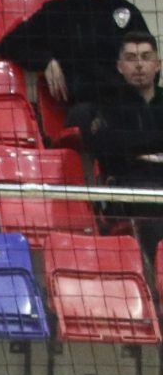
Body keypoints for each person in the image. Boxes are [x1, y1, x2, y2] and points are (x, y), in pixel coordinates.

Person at [0, 0, 153, 107]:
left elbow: (150, 61)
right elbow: (9, 44)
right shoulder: (58, 12)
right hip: (83, 109)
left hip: (127, 107)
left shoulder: (127, 13)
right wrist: (45, 60)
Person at [69, 32, 163, 249]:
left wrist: (136, 147)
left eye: (146, 57)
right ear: (120, 66)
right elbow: (110, 151)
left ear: (157, 65)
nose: (139, 65)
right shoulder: (106, 106)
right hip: (131, 193)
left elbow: (125, 145)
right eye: (131, 58)